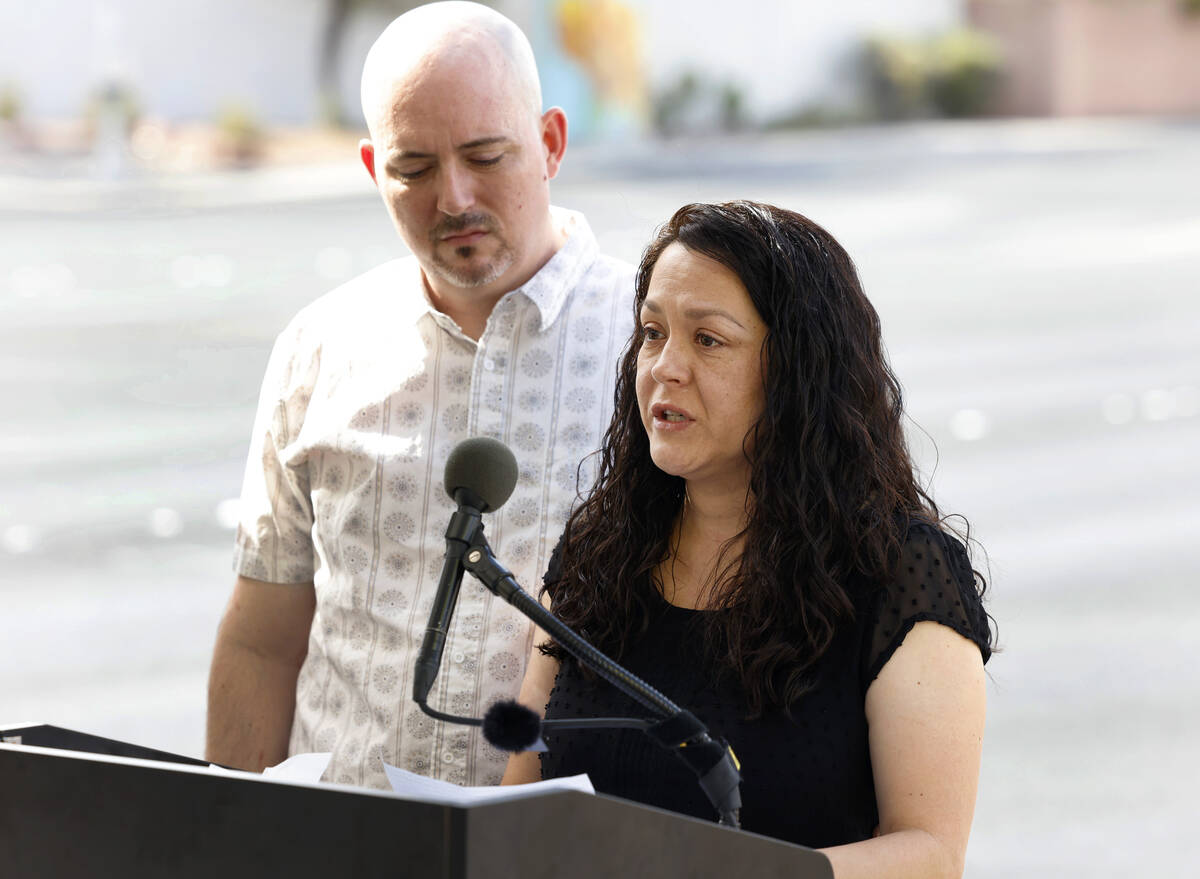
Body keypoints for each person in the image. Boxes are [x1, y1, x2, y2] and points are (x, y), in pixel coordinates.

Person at [205, 1, 634, 789]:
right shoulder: (318, 347)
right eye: (414, 169)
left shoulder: (652, 343)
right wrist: (227, 838)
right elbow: (263, 638)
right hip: (342, 840)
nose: (454, 197)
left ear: (550, 144)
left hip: (568, 850)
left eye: (486, 155)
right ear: (374, 170)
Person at [503, 201, 994, 878]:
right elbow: (519, 806)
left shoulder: (899, 574)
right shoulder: (598, 555)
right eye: (651, 333)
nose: (665, 368)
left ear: (798, 372)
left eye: (708, 340)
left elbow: (930, 854)